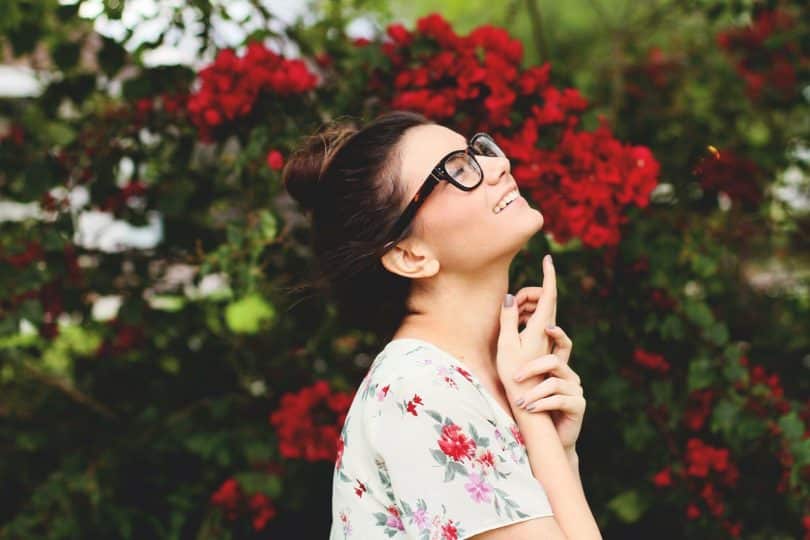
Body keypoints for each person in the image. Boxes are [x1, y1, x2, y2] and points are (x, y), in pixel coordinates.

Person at [282, 110, 602, 539]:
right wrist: (537, 425)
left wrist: (555, 446)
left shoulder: (469, 379)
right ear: (409, 255)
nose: (498, 164)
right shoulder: (418, 390)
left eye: (477, 151)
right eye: (457, 169)